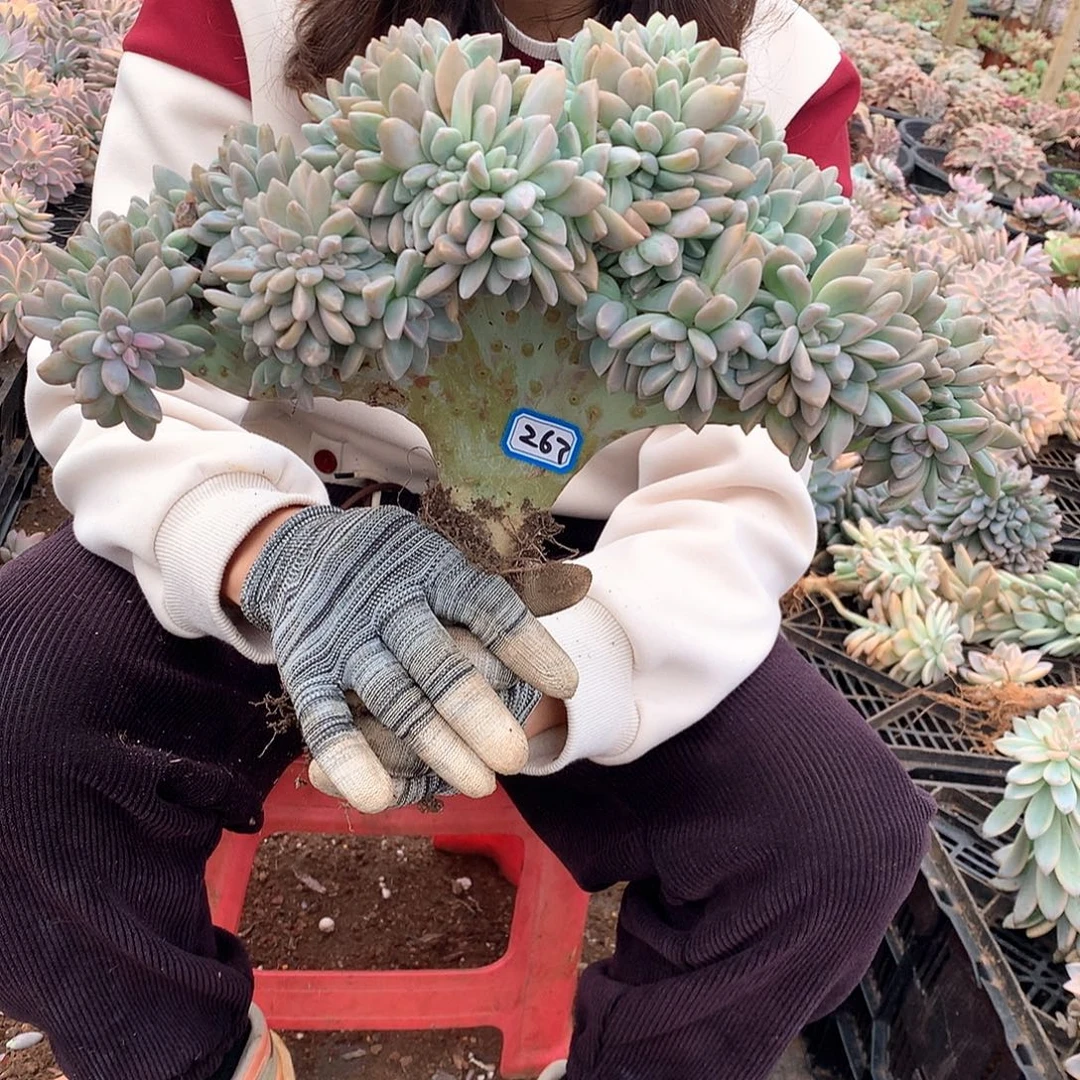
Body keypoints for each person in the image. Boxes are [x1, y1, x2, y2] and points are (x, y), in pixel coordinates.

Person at [0, 1, 934, 1078]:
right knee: (19, 703)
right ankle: (192, 1058)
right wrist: (273, 548)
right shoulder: (238, 12)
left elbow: (734, 484)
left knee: (837, 837)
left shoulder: (783, 72)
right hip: (292, 499)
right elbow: (113, 351)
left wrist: (566, 669)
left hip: (580, 562)